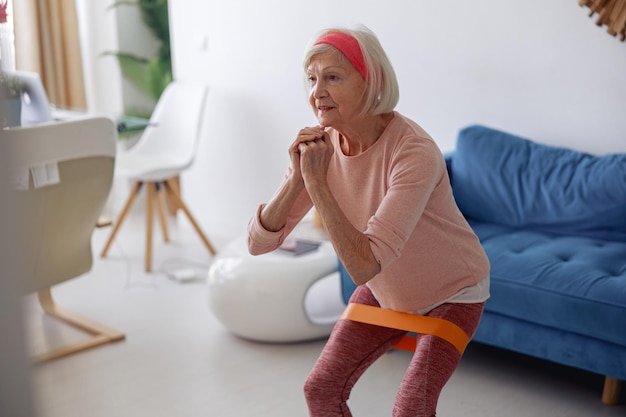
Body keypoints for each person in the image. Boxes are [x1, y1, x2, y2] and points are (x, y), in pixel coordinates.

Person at [247, 25, 490, 417]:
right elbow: (259, 244)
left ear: (370, 81)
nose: (317, 92)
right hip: (387, 287)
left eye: (332, 77)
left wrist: (316, 182)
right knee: (321, 389)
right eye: (311, 79)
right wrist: (297, 178)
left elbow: (362, 266)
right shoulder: (322, 148)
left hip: (454, 290)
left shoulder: (414, 151)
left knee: (411, 408)